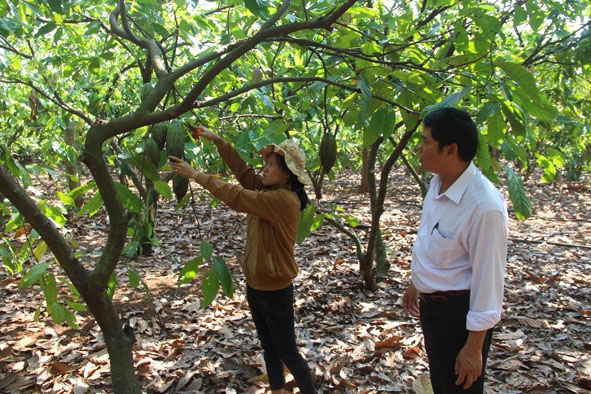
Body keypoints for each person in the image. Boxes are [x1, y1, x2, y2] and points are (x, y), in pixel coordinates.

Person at [168, 126, 316, 394]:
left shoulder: (283, 200)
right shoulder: (270, 189)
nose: (264, 168)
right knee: (269, 347)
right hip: (256, 285)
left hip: (275, 290)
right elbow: (244, 174)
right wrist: (219, 141)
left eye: (270, 165)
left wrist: (196, 175)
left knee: (288, 352)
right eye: (266, 163)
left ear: (286, 174)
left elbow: (237, 197)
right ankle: (278, 390)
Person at [402, 107, 509, 394]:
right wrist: (417, 282)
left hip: (459, 317)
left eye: (425, 142)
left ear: (450, 150)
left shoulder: (484, 206)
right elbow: (430, 239)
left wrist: (474, 348)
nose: (418, 148)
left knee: (460, 388)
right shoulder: (437, 184)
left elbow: (489, 284)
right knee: (442, 383)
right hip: (434, 310)